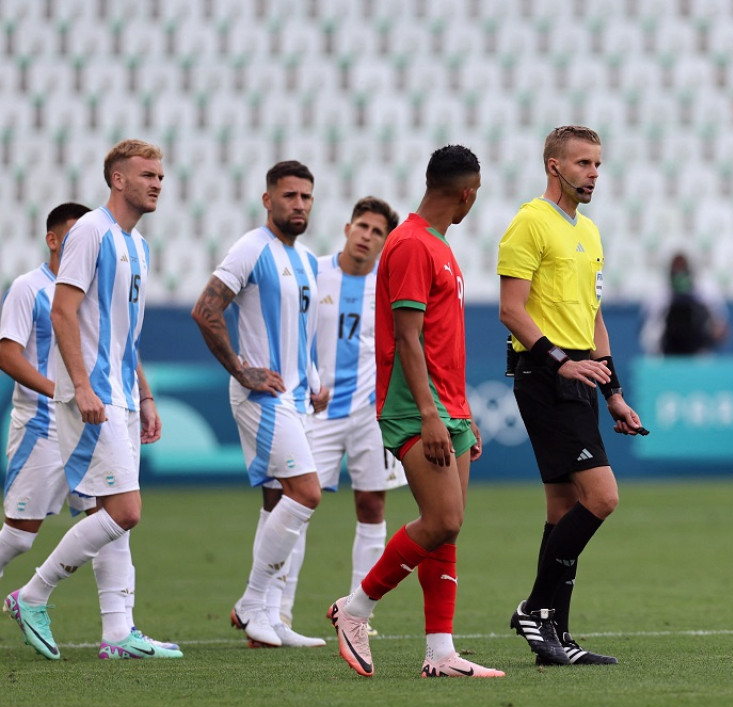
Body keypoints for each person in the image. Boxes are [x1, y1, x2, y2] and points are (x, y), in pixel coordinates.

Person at [327, 145, 504, 678]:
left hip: (448, 407)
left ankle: (440, 652)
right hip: (414, 408)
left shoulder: (438, 246)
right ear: (467, 193)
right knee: (442, 518)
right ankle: (355, 611)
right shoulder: (409, 245)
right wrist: (429, 413)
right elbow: (407, 338)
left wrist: (461, 412)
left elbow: (442, 340)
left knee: (448, 528)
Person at [4, 141, 181, 660]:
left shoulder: (137, 246)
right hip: (93, 396)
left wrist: (144, 395)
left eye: (161, 176)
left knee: (112, 508)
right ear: (118, 179)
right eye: (147, 174)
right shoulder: (90, 231)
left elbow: (123, 335)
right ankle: (32, 595)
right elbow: (63, 312)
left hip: (121, 398)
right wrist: (80, 385)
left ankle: (117, 632)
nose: (157, 184)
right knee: (125, 511)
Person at [498, 125, 644, 666]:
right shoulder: (528, 224)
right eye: (583, 164)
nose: (594, 174)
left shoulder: (590, 232)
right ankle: (535, 608)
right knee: (602, 498)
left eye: (598, 165)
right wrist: (562, 364)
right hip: (546, 378)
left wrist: (614, 394)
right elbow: (511, 310)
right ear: (554, 166)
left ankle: (553, 638)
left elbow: (594, 317)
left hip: (581, 379)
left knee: (563, 509)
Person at [191, 160, 328, 649]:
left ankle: (268, 621)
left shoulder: (308, 261)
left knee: (278, 501)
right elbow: (206, 311)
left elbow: (303, 333)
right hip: (261, 395)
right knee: (306, 493)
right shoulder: (251, 248)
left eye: (306, 197)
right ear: (268, 200)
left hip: (295, 397)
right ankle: (252, 601)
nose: (299, 204)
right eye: (289, 196)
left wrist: (314, 379)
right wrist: (240, 368)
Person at [274, 196, 406, 638]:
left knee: (372, 506)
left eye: (378, 232)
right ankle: (277, 612)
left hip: (372, 414)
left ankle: (358, 615)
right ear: (348, 228)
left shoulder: (386, 285)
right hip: (319, 409)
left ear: (385, 242)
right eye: (363, 227)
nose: (368, 236)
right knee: (297, 503)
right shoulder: (314, 271)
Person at [638, 252, 730, 356]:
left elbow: (721, 327)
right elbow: (646, 328)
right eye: (676, 271)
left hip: (697, 347)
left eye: (683, 270)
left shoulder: (707, 293)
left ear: (690, 271)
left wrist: (715, 329)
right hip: (666, 348)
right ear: (670, 272)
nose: (680, 275)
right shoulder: (658, 296)